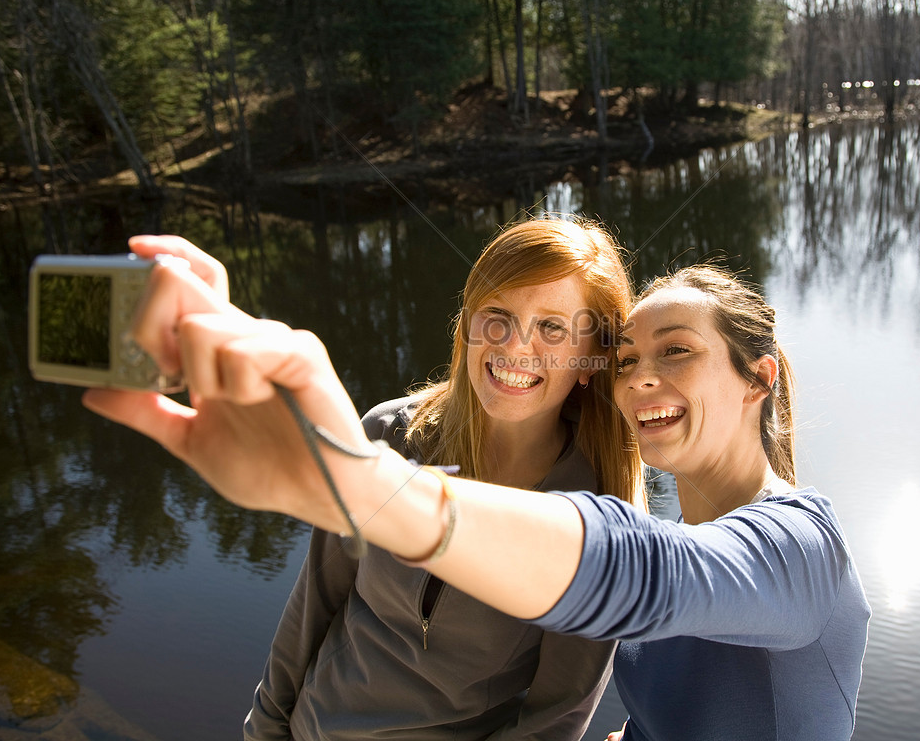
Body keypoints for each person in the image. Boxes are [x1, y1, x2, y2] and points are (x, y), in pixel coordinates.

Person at [86, 247, 871, 740]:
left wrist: (366, 485)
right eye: (626, 358)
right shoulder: (675, 553)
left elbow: (642, 572)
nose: (642, 378)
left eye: (678, 351)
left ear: (757, 378)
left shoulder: (803, 550)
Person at [108, 222, 644, 741]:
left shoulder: (595, 519)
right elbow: (313, 606)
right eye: (496, 315)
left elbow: (556, 717)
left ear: (589, 360)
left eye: (552, 327)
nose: (514, 346)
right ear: (467, 324)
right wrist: (265, 729)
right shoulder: (388, 435)